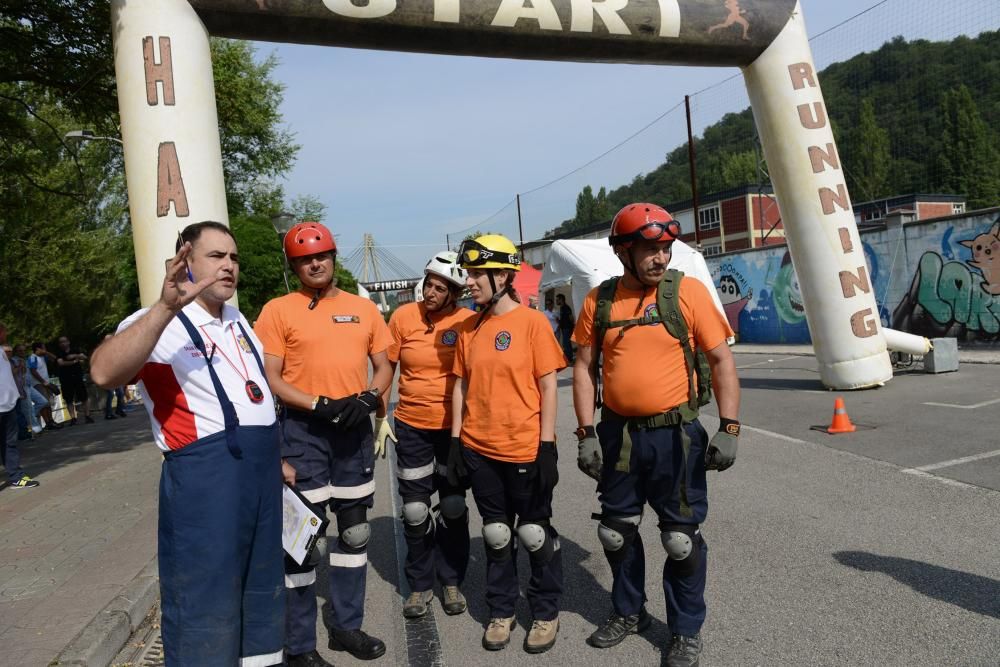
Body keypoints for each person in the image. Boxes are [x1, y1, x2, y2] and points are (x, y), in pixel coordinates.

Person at [89, 221, 285, 666]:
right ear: (186, 259)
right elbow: (103, 372)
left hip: (260, 478)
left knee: (261, 601)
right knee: (205, 607)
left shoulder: (239, 321)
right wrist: (164, 306)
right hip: (204, 483)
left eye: (234, 258)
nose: (228, 266)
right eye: (216, 256)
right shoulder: (156, 320)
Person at [571, 203, 741, 667]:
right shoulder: (599, 302)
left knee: (680, 539)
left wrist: (729, 426)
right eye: (649, 249)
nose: (660, 258)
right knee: (615, 532)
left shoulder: (689, 295)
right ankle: (629, 612)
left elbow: (723, 360)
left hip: (675, 436)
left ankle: (685, 631)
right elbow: (584, 369)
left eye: (665, 248)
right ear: (624, 251)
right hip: (618, 436)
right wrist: (585, 432)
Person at [255, 221, 392, 666]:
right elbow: (270, 379)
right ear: (294, 266)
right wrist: (318, 404)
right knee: (304, 543)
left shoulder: (363, 308)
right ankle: (299, 647)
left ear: (333, 257)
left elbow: (384, 364)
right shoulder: (278, 310)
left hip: (351, 429)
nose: (315, 264)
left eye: (322, 256)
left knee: (354, 535)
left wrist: (371, 396)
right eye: (304, 259)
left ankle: (346, 627)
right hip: (303, 432)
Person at [449, 234, 566, 654]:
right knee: (497, 535)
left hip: (524, 449)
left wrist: (547, 446)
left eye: (478, 273)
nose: (471, 281)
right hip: (480, 451)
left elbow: (548, 386)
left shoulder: (533, 323)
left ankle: (546, 611)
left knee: (534, 534)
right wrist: (456, 442)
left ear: (503, 275)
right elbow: (461, 387)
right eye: (469, 273)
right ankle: (502, 609)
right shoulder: (467, 327)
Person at [383, 251, 473, 619]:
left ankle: (451, 579)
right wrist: (378, 415)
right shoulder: (403, 316)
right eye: (429, 284)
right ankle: (420, 586)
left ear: (454, 293)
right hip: (412, 425)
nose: (431, 292)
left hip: (453, 431)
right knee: (416, 510)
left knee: (452, 507)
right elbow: (387, 366)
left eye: (441, 288)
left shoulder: (467, 321)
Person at [1, 325, 40, 488]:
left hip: (9, 405)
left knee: (10, 443)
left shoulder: (2, 352)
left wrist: (17, 394)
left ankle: (16, 476)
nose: (6, 334)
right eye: (3, 331)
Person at [55, 335, 93, 424]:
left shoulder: (75, 350)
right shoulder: (59, 353)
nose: (63, 343)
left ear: (68, 342)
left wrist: (74, 355)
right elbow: (61, 363)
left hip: (77, 376)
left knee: (84, 397)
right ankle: (73, 418)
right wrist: (75, 361)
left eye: (64, 341)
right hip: (65, 378)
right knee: (68, 399)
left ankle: (87, 415)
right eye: (61, 342)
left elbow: (84, 357)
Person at [28, 342, 61, 431]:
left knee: (48, 402)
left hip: (46, 382)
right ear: (38, 349)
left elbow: (55, 358)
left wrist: (46, 352)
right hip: (38, 383)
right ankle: (48, 422)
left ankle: (51, 420)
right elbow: (33, 371)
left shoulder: (42, 357)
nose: (45, 350)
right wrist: (43, 381)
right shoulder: (32, 358)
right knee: (44, 403)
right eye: (43, 348)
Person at [555, 293, 575, 363]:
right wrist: (559, 321)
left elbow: (571, 318)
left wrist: (572, 326)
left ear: (561, 300)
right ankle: (569, 358)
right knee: (566, 343)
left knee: (566, 343)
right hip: (564, 328)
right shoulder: (562, 308)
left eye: (557, 300)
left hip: (567, 328)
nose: (556, 301)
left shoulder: (566, 307)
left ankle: (569, 359)